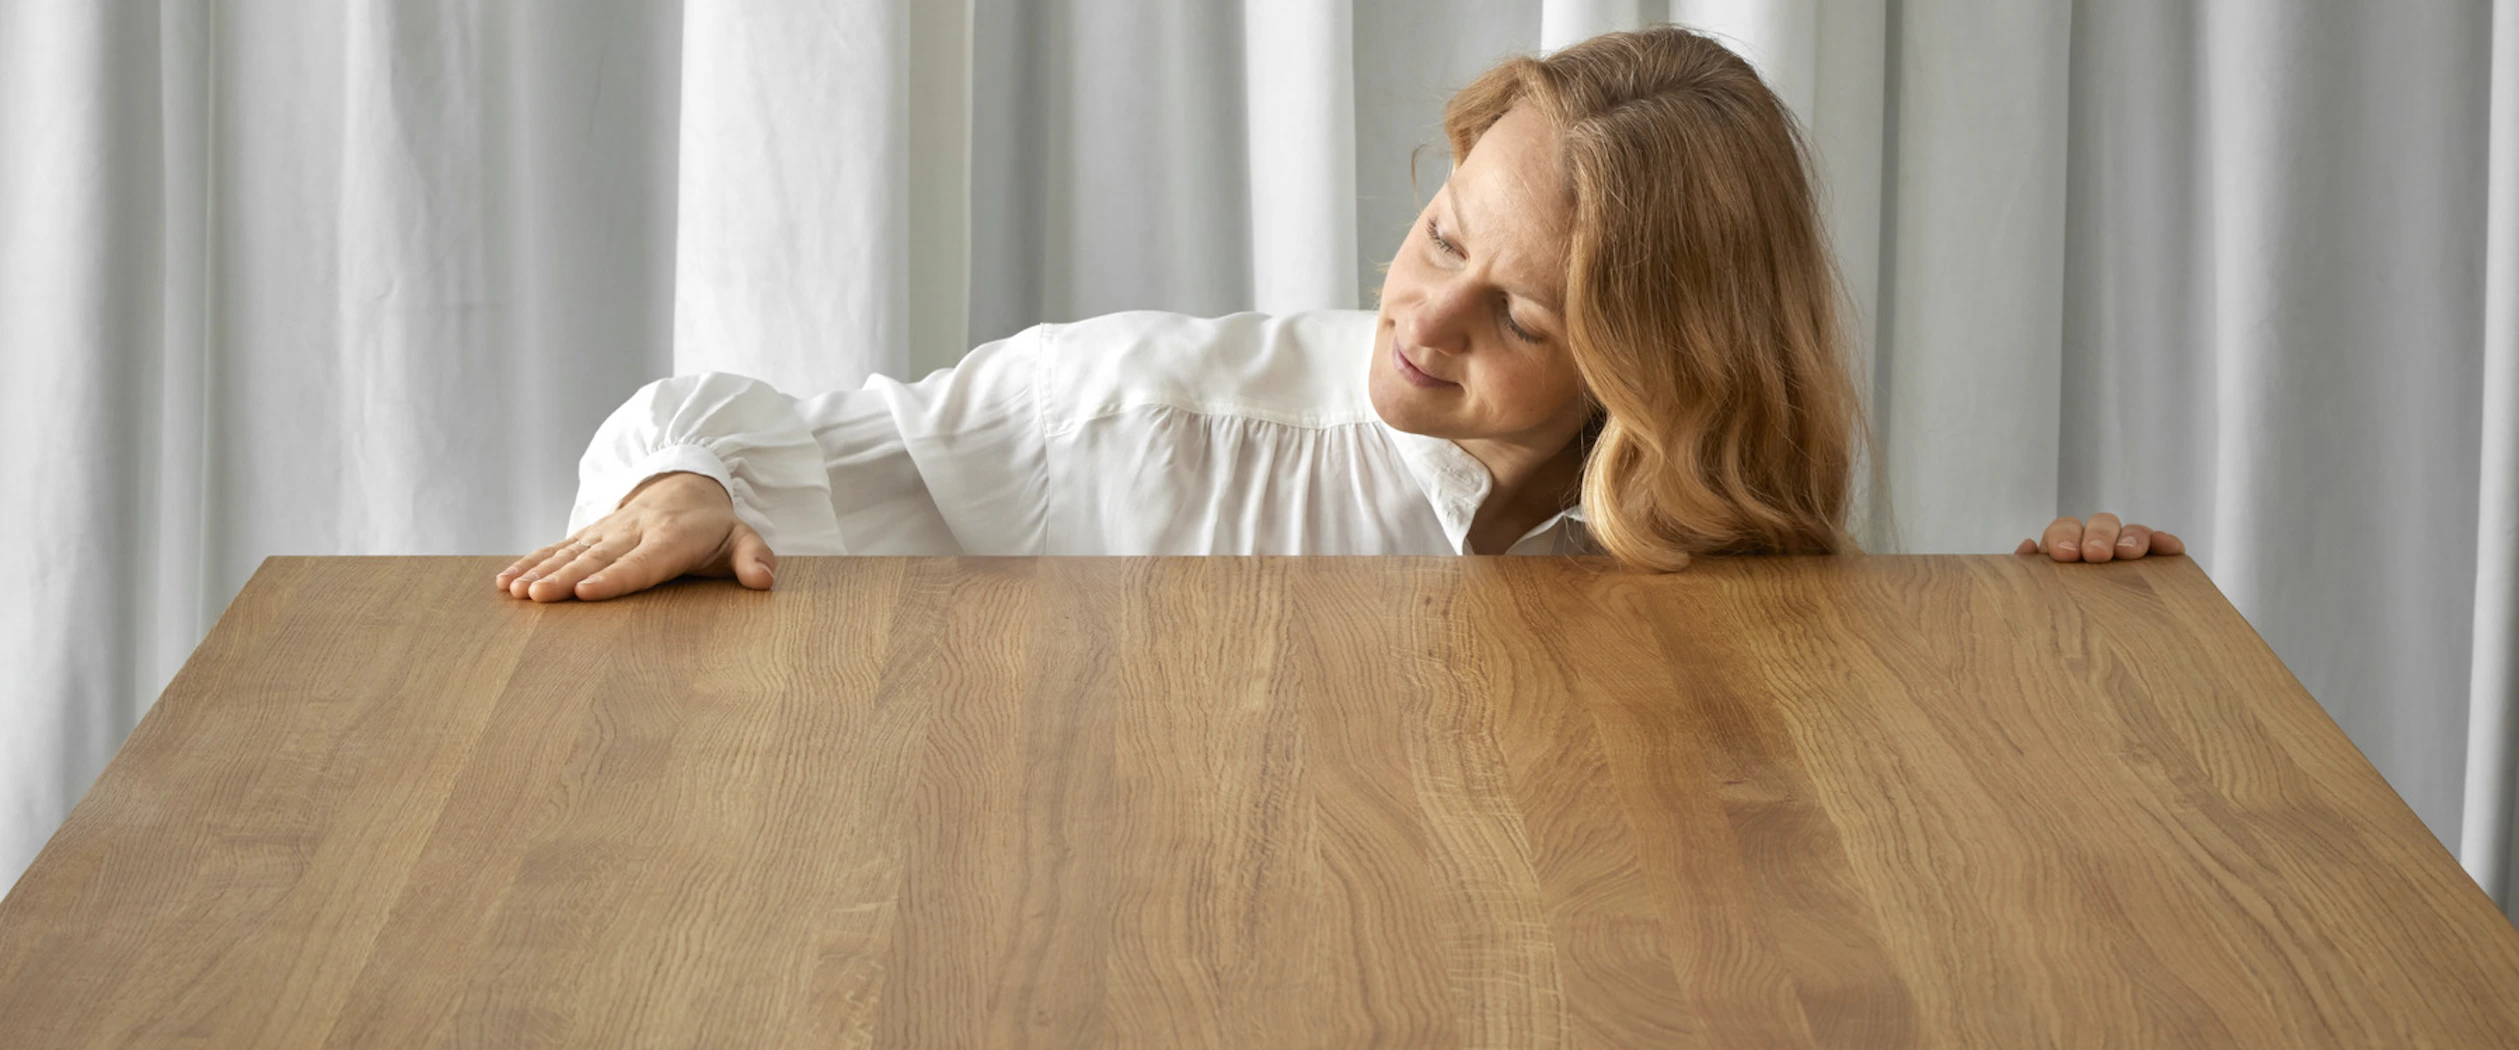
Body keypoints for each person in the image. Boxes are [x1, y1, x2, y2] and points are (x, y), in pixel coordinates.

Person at [498, 25, 2182, 604]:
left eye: (1516, 312)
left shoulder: (1694, 531)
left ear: (1654, 379)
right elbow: (759, 436)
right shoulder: (1150, 418)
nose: (1423, 316)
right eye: (1440, 229)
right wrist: (684, 487)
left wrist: (2043, 618)